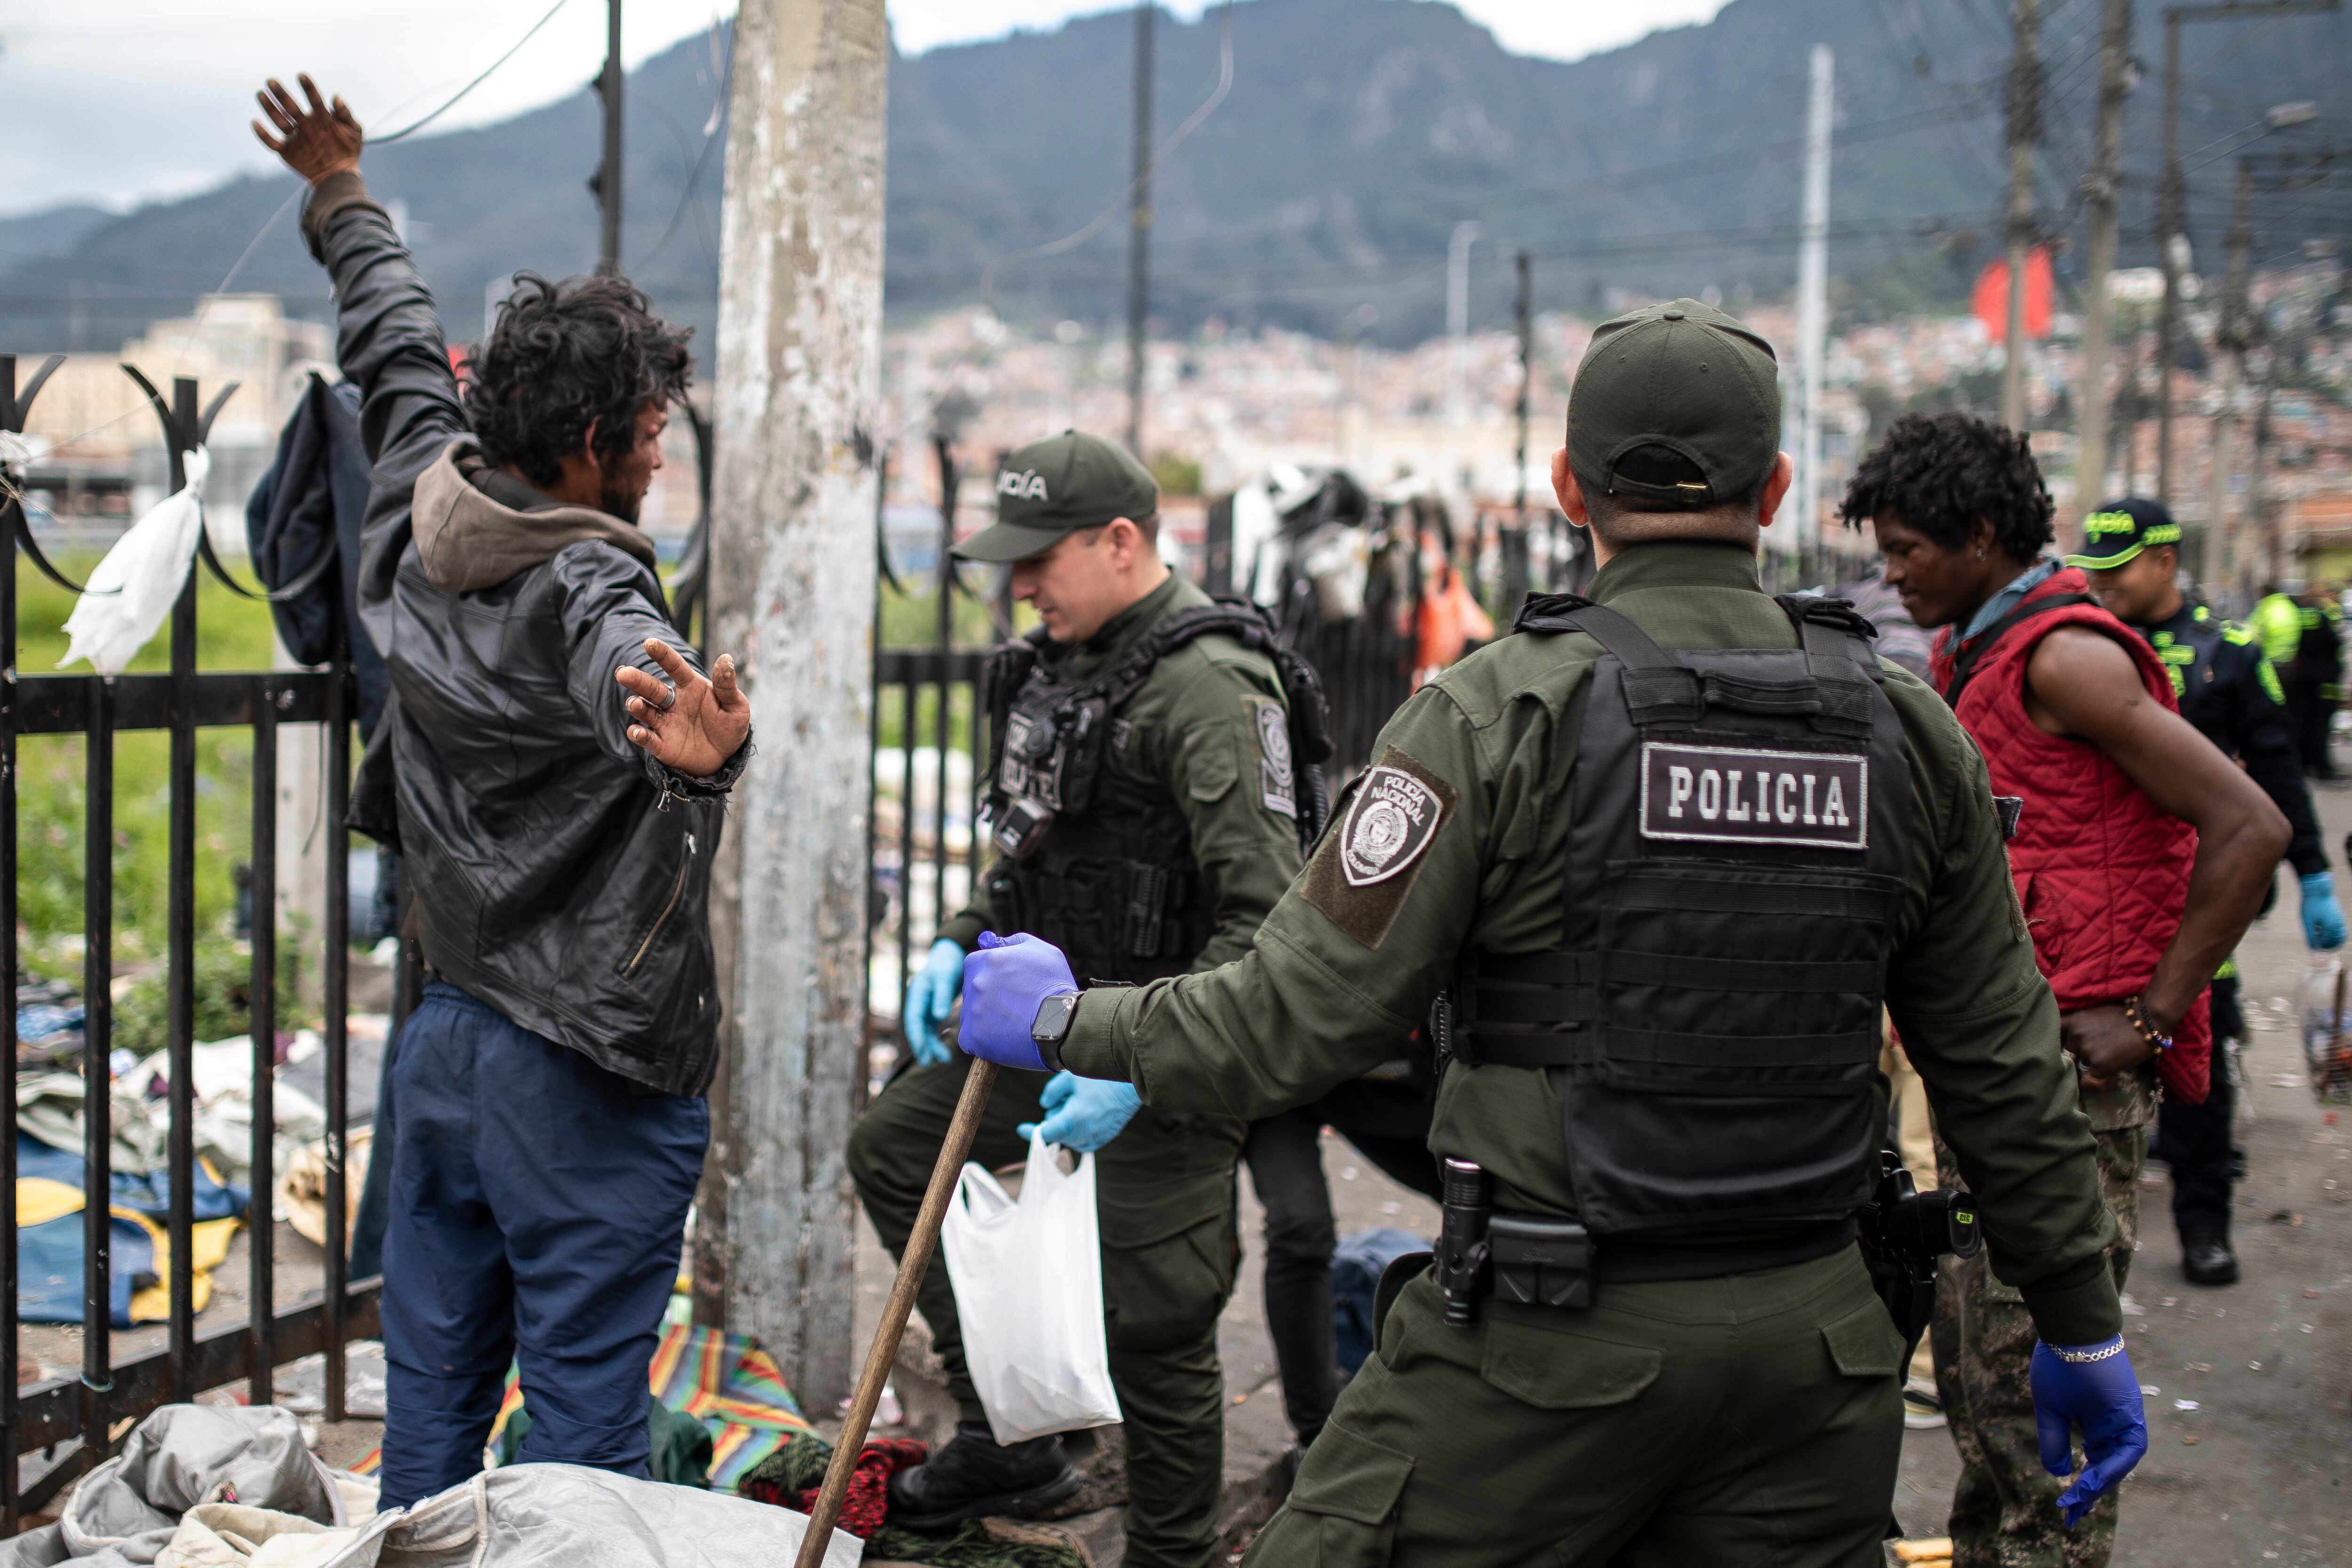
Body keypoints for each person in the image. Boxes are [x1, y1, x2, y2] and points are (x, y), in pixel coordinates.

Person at [951, 300, 2151, 1567]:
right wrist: (2080, 1320)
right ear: (1778, 486)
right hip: (1819, 1361)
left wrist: (1060, 1013)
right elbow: (2009, 1076)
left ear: (1570, 484)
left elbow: (1287, 1021)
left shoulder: (1492, 714)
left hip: (1543, 1354)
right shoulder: (1907, 732)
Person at [253, 78, 752, 1509]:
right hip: (581, 1077)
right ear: (590, 439)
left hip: (446, 1049)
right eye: (649, 427)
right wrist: (686, 738)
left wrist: (343, 187)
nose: (660, 450)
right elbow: (620, 659)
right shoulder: (592, 571)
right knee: (581, 1452)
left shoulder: (420, 486)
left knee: (432, 1421)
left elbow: (393, 335)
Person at [850, 430, 1324, 1568]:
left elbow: (1267, 923)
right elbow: (1029, 855)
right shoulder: (1055, 668)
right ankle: (1013, 1438)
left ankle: (1166, 1551)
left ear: (1120, 543)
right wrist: (960, 939)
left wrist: (1139, 1062)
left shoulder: (1210, 686)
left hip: (1167, 1042)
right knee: (895, 1152)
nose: (1018, 585)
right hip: (1044, 1032)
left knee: (1157, 1324)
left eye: (1038, 560)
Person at [1849, 415, 2286, 1567]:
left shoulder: (2065, 659)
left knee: (2031, 1399)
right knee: (1986, 1389)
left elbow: (2250, 825)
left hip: (2067, 1088)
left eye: (1906, 550)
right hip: (2005, 1064)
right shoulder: (1982, 653)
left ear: (1980, 536)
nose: (1892, 575)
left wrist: (2149, 1015)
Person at [2071, 497, 2348, 1286]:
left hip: (2201, 902)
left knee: (2198, 1060)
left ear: (2164, 560)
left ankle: (2203, 1223)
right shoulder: (2089, 647)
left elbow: (2279, 766)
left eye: (2116, 572)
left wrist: (2315, 872)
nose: (2104, 586)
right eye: (2094, 573)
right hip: (2110, 897)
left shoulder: (2227, 653)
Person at [2254, 578, 2345, 778]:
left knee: (2302, 717)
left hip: (2302, 672)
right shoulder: (2327, 613)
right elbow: (2335, 642)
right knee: (2321, 720)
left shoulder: (2300, 613)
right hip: (2325, 675)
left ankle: (2304, 762)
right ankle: (2322, 766)